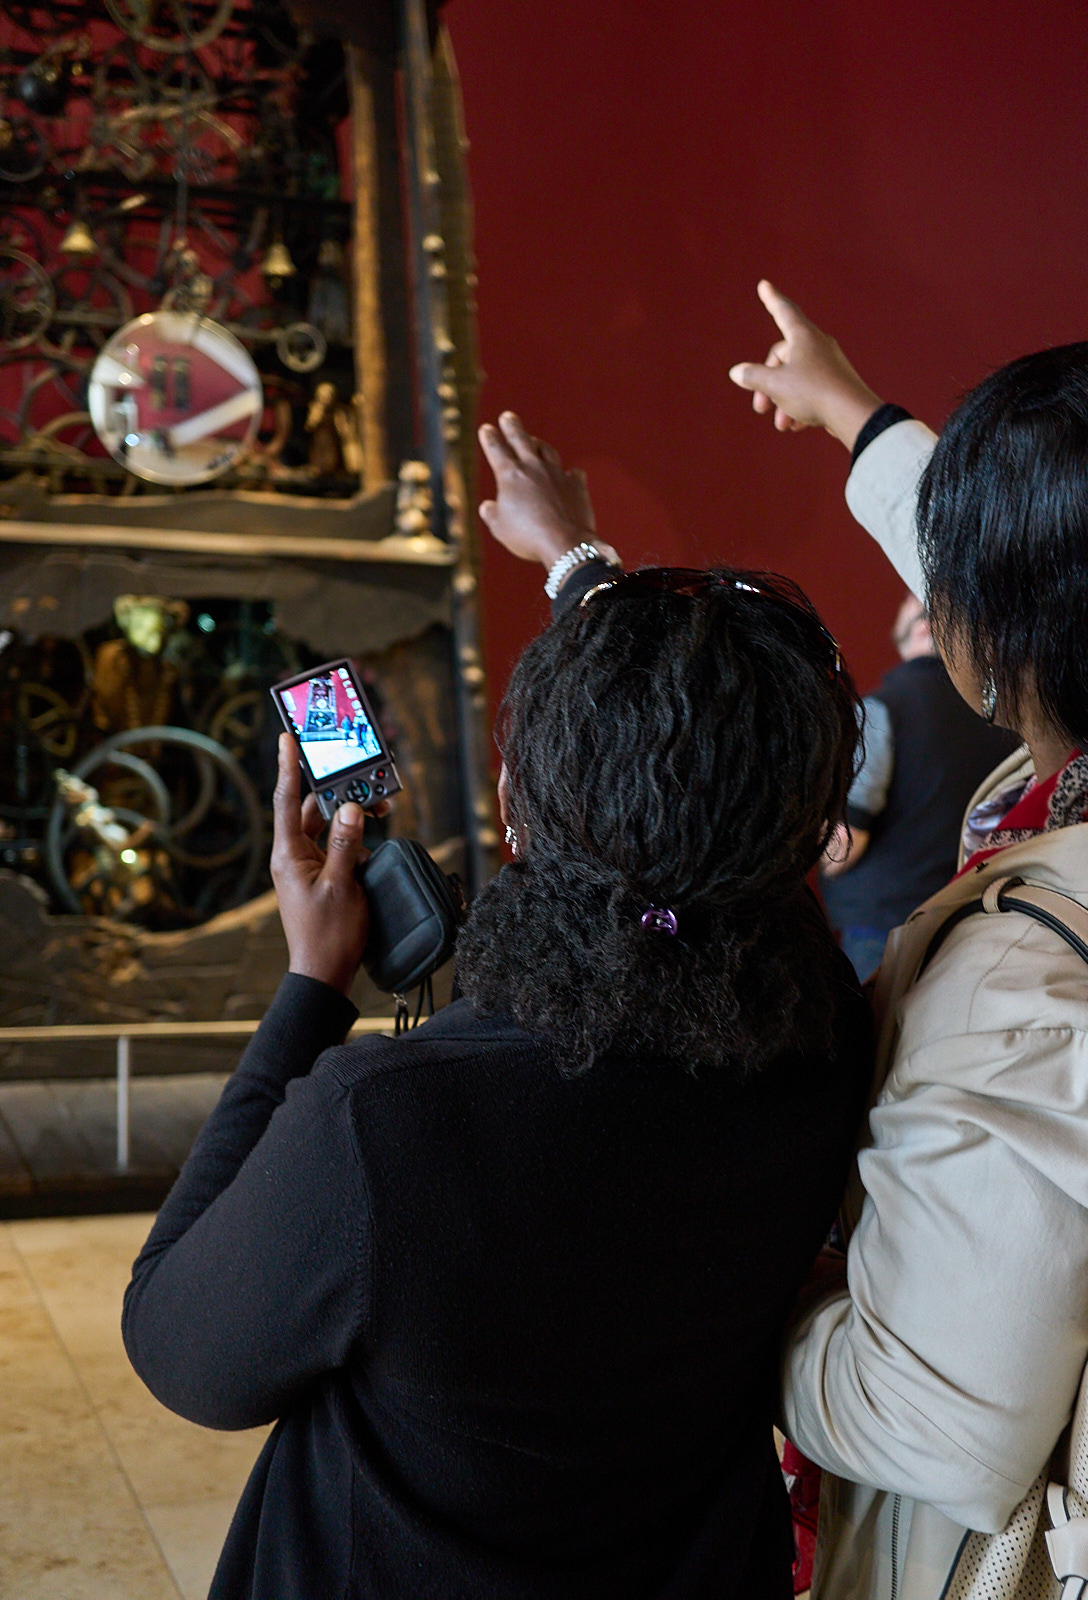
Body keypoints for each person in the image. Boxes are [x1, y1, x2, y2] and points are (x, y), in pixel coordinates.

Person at [121, 430, 873, 1600]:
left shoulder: (389, 1123)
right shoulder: (826, 1048)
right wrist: (578, 566)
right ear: (806, 831)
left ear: (513, 808)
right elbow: (713, 790)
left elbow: (182, 1353)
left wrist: (310, 990)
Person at [722, 284, 1088, 1598]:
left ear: (979, 623)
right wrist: (851, 413)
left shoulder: (1021, 972)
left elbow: (931, 1421)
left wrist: (731, 1290)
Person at [819, 590, 1018, 981]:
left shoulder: (882, 710)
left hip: (882, 929)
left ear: (923, 626)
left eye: (907, 600)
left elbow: (844, 846)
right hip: (967, 918)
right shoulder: (999, 719)